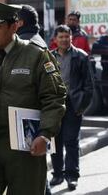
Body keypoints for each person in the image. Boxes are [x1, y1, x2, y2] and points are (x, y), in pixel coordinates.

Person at [0, 0, 66, 195]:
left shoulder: (36, 56)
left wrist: (45, 134)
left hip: (26, 147)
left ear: (14, 25)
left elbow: (55, 98)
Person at [49, 25, 93, 191]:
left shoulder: (81, 57)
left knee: (71, 142)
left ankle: (72, 176)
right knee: (55, 141)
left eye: (67, 37)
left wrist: (82, 106)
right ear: (55, 39)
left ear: (71, 38)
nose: (64, 40)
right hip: (54, 105)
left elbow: (89, 86)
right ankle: (57, 174)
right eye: (61, 37)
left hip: (74, 105)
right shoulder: (49, 57)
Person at [16, 4, 52, 195]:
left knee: (31, 175)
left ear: (20, 23)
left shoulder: (27, 45)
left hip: (26, 118)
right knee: (37, 174)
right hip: (39, 116)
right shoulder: (40, 41)